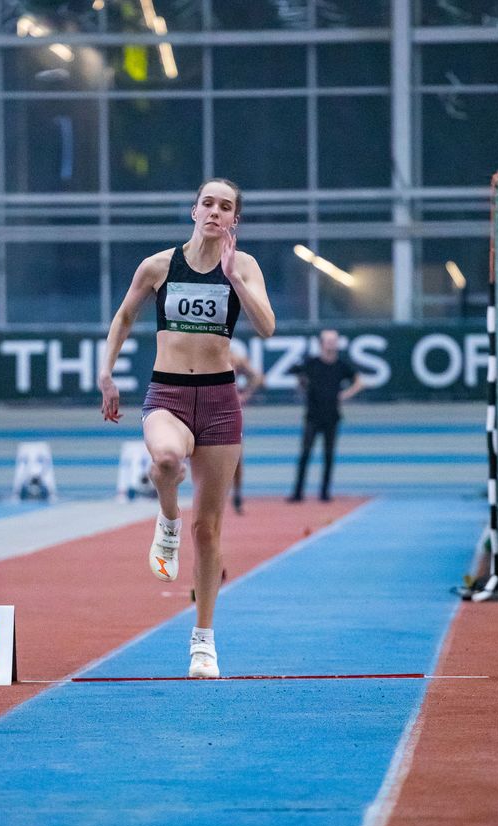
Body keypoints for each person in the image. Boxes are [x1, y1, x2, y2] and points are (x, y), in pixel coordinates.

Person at [98, 178, 275, 678]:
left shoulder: (244, 266)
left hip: (220, 401)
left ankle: (203, 642)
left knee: (210, 529)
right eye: (208, 203)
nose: (215, 212)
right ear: (194, 211)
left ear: (234, 220)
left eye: (226, 207)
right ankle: (168, 521)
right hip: (169, 394)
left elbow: (267, 327)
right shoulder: (159, 266)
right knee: (166, 459)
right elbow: (124, 316)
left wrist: (234, 279)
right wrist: (106, 373)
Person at [287, 328, 364, 503]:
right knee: (305, 454)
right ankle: (298, 492)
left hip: (332, 416)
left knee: (328, 455)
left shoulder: (341, 365)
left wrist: (345, 395)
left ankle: (324, 493)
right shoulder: (312, 363)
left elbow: (360, 382)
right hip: (312, 416)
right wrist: (302, 384)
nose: (331, 345)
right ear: (321, 344)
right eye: (328, 341)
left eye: (334, 341)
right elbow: (296, 372)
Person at [229, 344, 264, 513]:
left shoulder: (234, 358)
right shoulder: (203, 353)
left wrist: (245, 395)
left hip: (229, 409)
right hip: (207, 407)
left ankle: (237, 493)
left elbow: (257, 377)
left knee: (236, 455)